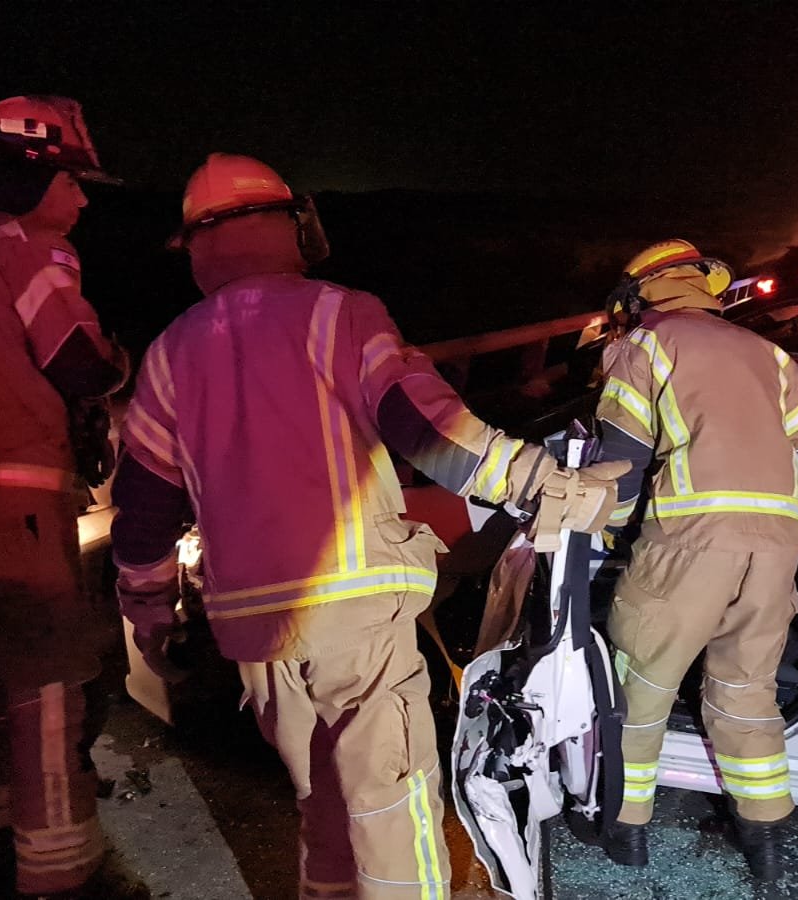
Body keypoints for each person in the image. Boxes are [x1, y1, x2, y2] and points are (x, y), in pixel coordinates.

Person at [108, 153, 626, 899]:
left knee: (320, 799)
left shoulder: (167, 354)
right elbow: (428, 427)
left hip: (253, 629)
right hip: (355, 608)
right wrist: (539, 480)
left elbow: (145, 509)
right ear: (289, 223)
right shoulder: (337, 313)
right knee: (389, 801)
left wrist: (149, 609)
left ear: (197, 245)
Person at [0, 96, 143, 900]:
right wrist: (122, 361)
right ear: (29, 177)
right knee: (49, 682)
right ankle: (62, 871)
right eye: (72, 180)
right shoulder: (30, 247)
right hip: (18, 494)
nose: (81, 200)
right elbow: (79, 357)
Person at [592, 240, 798, 882]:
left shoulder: (645, 345)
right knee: (747, 688)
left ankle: (626, 829)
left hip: (690, 538)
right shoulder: (768, 353)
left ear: (637, 296)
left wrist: (608, 532)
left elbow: (622, 459)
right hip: (776, 548)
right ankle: (765, 838)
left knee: (642, 681)